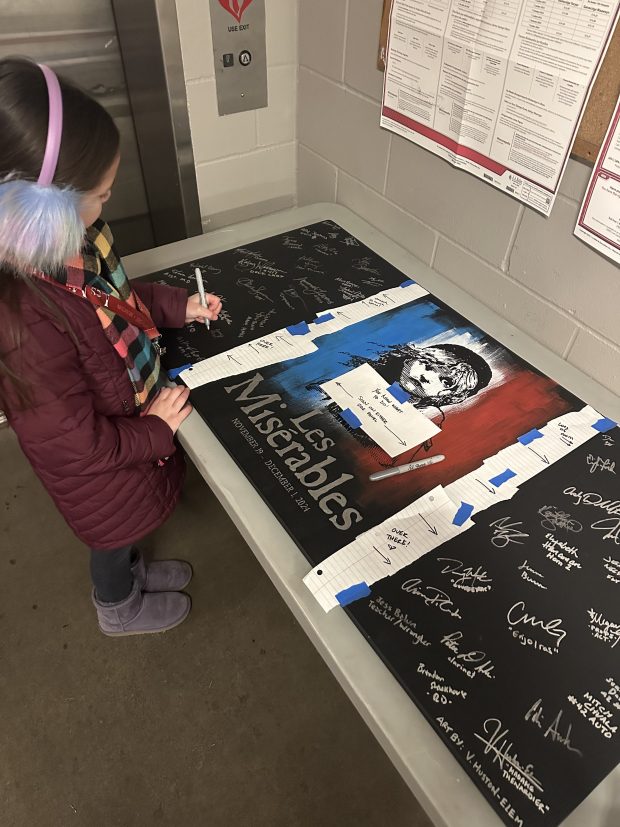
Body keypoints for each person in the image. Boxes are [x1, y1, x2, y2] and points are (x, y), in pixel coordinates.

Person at [0, 58, 222, 636]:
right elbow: (75, 444)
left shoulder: (71, 247)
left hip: (126, 434)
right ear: (40, 209)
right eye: (99, 194)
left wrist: (178, 305)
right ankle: (116, 608)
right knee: (112, 537)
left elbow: (117, 299)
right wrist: (155, 432)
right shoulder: (25, 320)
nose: (107, 203)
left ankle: (131, 572)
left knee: (128, 530)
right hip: (102, 468)